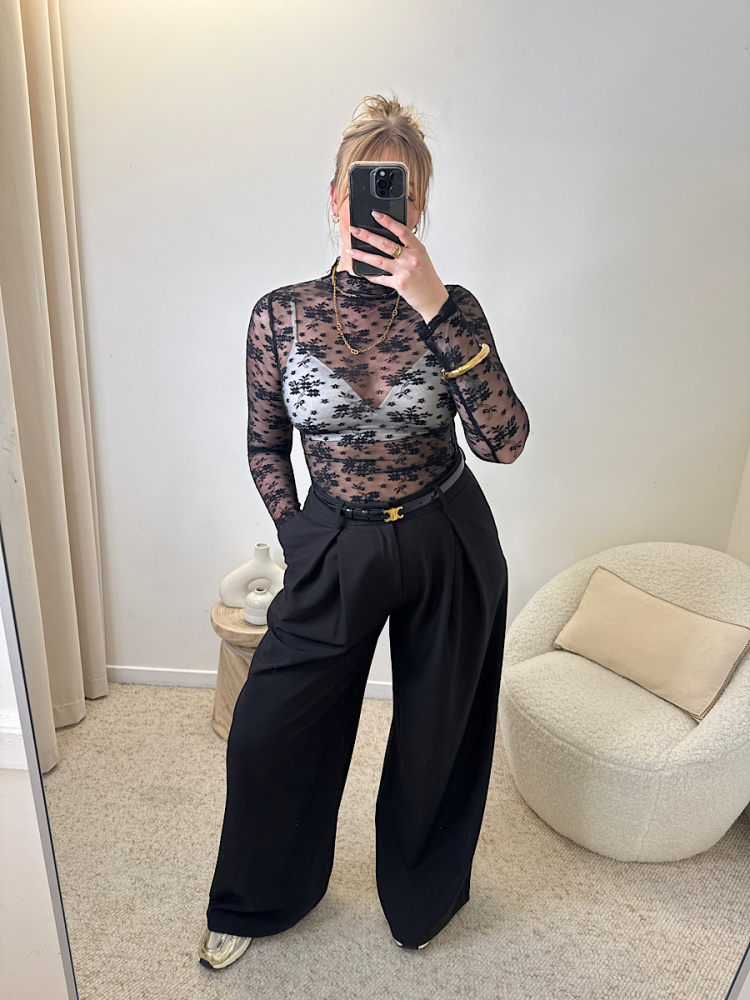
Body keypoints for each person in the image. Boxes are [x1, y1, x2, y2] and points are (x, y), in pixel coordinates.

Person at [198, 93, 530, 970]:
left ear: (418, 208)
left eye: (402, 191)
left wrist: (437, 306)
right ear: (335, 197)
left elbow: (504, 442)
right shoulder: (281, 314)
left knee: (438, 733)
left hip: (447, 536)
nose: (383, 204)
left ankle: (420, 900)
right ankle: (259, 897)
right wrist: (298, 536)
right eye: (366, 183)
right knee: (270, 731)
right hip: (335, 539)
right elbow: (264, 443)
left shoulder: (454, 309)